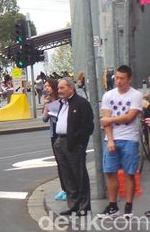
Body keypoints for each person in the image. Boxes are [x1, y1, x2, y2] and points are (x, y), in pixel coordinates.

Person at [98, 65, 144, 219]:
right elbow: (105, 121)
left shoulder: (136, 95)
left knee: (129, 173)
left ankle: (128, 207)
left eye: (122, 78)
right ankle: (113, 206)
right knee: (110, 172)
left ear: (129, 79)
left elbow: (129, 117)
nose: (118, 81)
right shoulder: (108, 95)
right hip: (112, 139)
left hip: (129, 139)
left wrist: (110, 119)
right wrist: (110, 140)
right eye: (116, 78)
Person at [53, 77, 94, 217]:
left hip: (74, 144)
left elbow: (88, 126)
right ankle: (73, 205)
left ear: (71, 88)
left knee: (79, 175)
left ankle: (84, 206)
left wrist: (80, 143)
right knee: (67, 176)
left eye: (62, 88)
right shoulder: (61, 103)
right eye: (58, 88)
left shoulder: (81, 103)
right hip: (60, 141)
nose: (59, 91)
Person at [41, 79, 67, 201]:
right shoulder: (48, 101)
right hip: (53, 134)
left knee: (66, 161)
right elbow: (44, 119)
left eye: (48, 86)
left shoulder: (61, 100)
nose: (46, 88)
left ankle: (69, 188)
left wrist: (51, 106)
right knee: (59, 161)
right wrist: (46, 106)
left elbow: (60, 116)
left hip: (62, 133)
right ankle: (63, 188)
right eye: (45, 86)